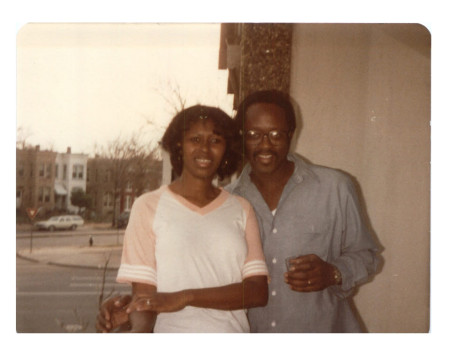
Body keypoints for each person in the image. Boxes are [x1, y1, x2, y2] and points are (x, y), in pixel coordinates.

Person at [97, 90, 379, 333]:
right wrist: (136, 303)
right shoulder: (229, 201)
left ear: (291, 135)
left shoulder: (335, 187)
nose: (265, 144)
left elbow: (367, 256)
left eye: (275, 134)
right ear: (240, 139)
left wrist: (333, 273)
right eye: (254, 135)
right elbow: (201, 274)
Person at [111, 105, 269, 333]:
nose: (205, 149)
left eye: (215, 141)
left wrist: (186, 297)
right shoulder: (147, 206)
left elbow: (257, 291)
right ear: (179, 145)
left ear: (226, 149)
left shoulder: (242, 209)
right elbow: (144, 300)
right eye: (195, 139)